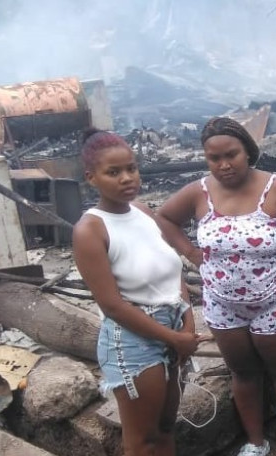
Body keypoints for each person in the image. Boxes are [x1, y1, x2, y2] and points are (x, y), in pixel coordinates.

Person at [156, 117, 276, 456]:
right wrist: (191, 253)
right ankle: (256, 442)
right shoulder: (199, 192)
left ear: (249, 151)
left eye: (232, 155)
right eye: (214, 158)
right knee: (243, 374)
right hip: (222, 302)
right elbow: (164, 218)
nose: (224, 165)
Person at [73, 128, 198, 456]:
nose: (127, 178)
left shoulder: (142, 212)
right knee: (142, 441)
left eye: (132, 168)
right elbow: (112, 305)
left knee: (166, 427)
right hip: (132, 341)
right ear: (91, 178)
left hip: (171, 327)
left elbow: (172, 270)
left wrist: (187, 322)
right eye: (113, 172)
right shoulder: (91, 229)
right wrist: (174, 339)